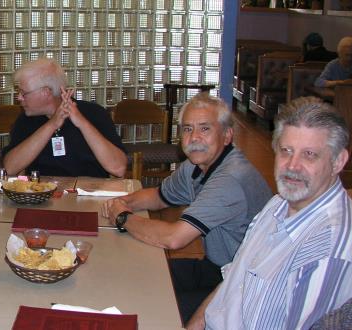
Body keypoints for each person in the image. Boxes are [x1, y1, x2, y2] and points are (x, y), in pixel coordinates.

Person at [190, 97, 352, 329]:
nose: (292, 166)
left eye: (309, 154)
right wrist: (195, 323)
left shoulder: (328, 250)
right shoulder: (279, 203)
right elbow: (235, 279)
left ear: (338, 161)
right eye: (286, 151)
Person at [100, 93, 273, 324]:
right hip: (215, 268)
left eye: (205, 129)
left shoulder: (230, 179)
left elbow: (174, 239)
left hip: (242, 286)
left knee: (149, 306)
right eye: (187, 129)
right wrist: (122, 202)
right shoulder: (195, 165)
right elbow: (159, 196)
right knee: (136, 275)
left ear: (227, 135)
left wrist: (122, 217)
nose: (194, 138)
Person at [2, 58, 127, 178]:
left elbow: (118, 168)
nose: (19, 98)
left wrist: (82, 123)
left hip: (89, 194)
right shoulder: (26, 119)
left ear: (46, 92)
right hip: (42, 194)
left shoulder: (94, 113)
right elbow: (10, 168)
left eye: (24, 93)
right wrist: (51, 125)